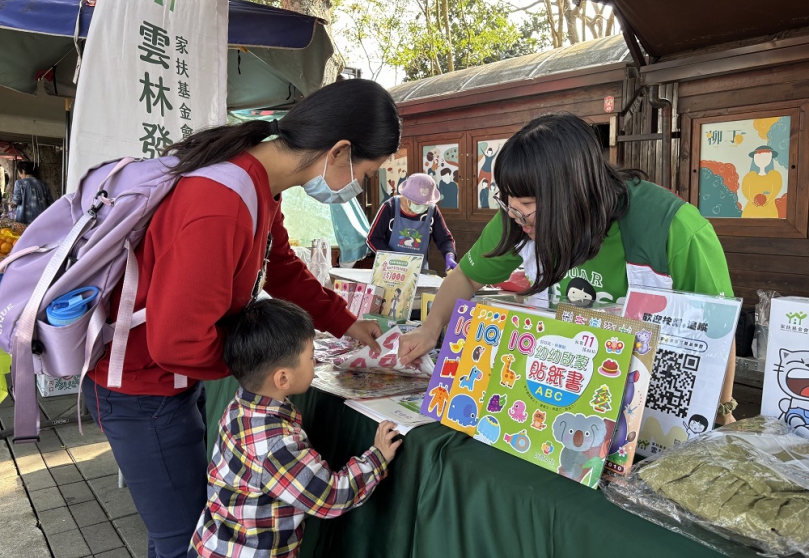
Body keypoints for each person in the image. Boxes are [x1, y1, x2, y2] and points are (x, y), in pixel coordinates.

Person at [82, 78, 401, 558]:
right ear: (339, 152)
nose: (359, 188)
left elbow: (283, 268)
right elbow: (176, 343)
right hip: (140, 389)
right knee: (179, 539)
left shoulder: (257, 186)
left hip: (166, 384)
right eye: (366, 173)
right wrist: (268, 366)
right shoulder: (222, 202)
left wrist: (345, 322)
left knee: (187, 528)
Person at [399, 112, 738, 425]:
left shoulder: (673, 228)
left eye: (527, 206)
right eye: (508, 203)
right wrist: (430, 329)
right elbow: (467, 275)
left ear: (573, 192)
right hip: (555, 399)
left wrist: (722, 411)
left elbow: (719, 329)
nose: (515, 216)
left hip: (648, 414)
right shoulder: (519, 220)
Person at [189, 299, 400, 558]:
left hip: (216, 544)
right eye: (311, 357)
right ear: (283, 378)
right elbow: (329, 496)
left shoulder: (240, 407)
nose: (315, 362)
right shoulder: (278, 445)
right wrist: (376, 460)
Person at [367, 172, 457, 272]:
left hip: (418, 271)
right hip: (389, 268)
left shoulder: (432, 210)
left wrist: (449, 255)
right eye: (417, 203)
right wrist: (392, 258)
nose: (422, 206)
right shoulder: (390, 207)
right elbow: (372, 238)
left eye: (425, 204)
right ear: (407, 196)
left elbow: (445, 239)